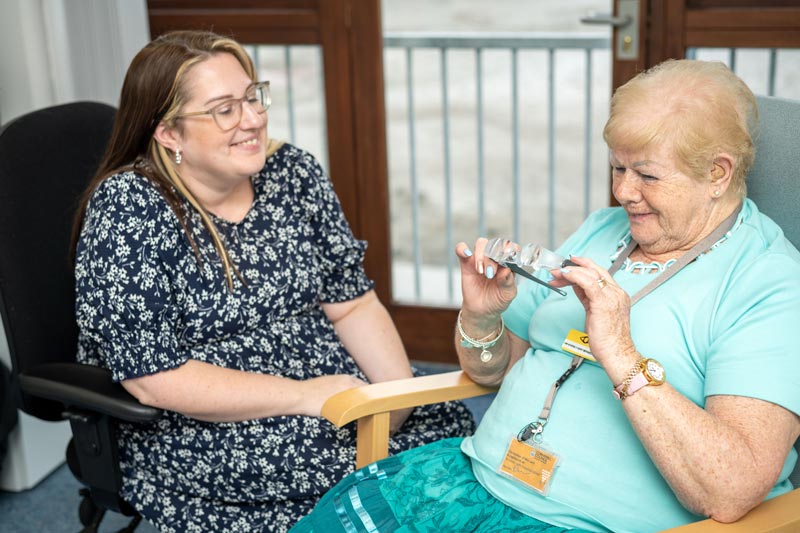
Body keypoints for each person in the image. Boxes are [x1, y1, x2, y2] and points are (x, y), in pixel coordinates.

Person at [292, 59, 800, 533]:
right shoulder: (607, 230)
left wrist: (621, 354)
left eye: (646, 175)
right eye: (618, 169)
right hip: (475, 481)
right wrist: (482, 318)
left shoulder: (767, 283)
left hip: (580, 521)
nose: (623, 192)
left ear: (718, 173)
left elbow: (731, 489)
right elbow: (492, 369)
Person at [72, 30, 475, 532]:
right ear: (169, 134)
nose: (253, 119)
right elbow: (155, 379)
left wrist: (391, 398)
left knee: (440, 420)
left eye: (251, 97)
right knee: (342, 463)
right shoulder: (129, 209)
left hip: (327, 378)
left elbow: (350, 303)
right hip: (200, 418)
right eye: (224, 109)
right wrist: (304, 395)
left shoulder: (292, 172)